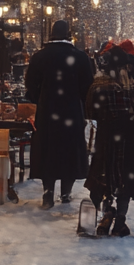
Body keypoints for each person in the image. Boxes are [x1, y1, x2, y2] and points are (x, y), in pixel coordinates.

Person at [84, 44, 134, 236]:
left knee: (106, 177)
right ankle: (120, 221)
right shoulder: (130, 86)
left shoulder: (97, 86)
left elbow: (90, 111)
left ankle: (107, 214)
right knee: (125, 181)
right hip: (129, 141)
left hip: (106, 140)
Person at [24, 20, 95, 209]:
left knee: (48, 150)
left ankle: (48, 191)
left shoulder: (40, 57)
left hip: (48, 111)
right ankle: (66, 191)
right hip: (72, 111)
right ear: (68, 34)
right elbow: (87, 86)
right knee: (69, 151)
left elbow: (30, 85)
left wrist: (41, 97)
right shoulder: (80, 57)